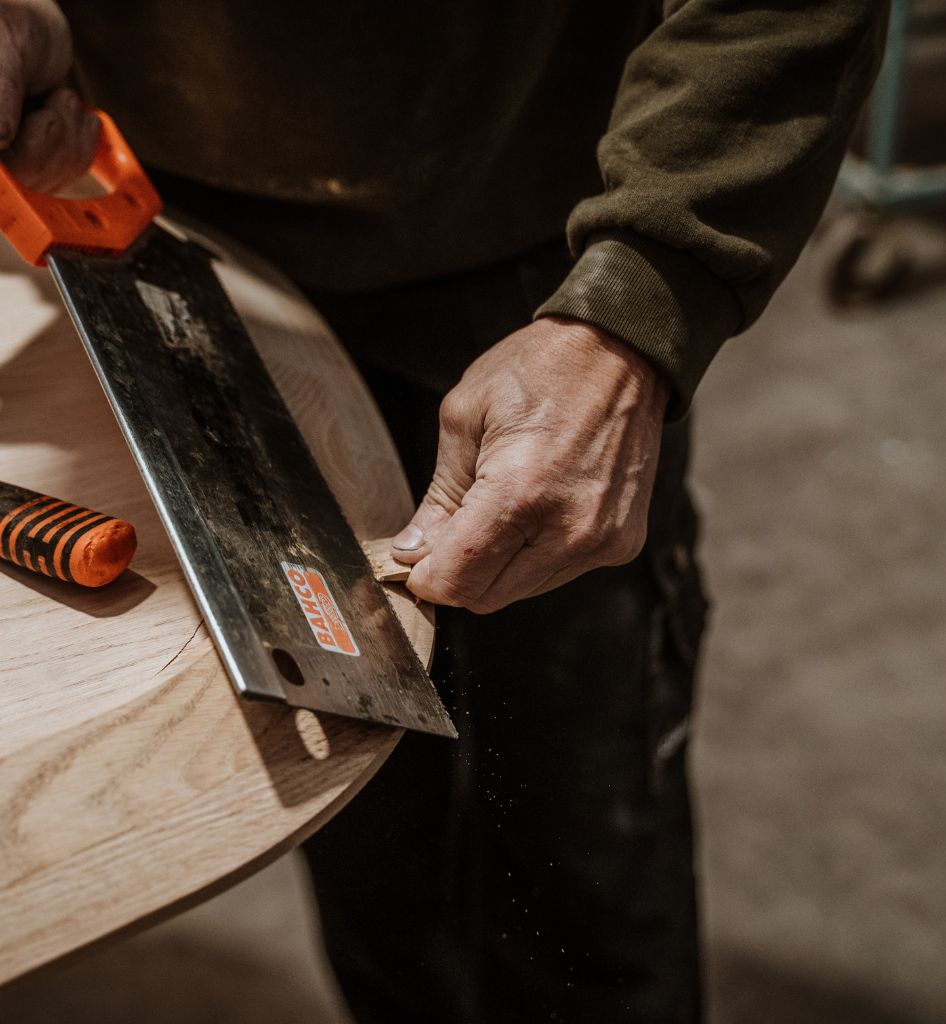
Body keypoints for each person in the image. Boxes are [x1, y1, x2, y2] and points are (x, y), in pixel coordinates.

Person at [0, 2, 889, 1020]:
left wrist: (644, 293)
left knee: (571, 851)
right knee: (368, 829)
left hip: (536, 248)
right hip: (162, 229)